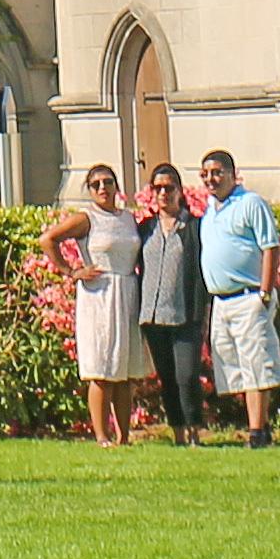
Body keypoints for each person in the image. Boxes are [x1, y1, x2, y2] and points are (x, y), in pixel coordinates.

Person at [194, 148, 280, 443]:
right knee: (234, 367)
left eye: (218, 172)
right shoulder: (209, 211)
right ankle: (256, 424)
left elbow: (270, 247)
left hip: (250, 297)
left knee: (256, 364)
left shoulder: (251, 203)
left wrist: (266, 293)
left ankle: (258, 432)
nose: (212, 179)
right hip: (221, 301)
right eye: (206, 174)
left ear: (233, 175)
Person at [132, 161, 208, 441]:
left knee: (187, 377)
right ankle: (177, 431)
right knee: (167, 379)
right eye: (158, 188)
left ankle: (195, 431)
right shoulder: (145, 229)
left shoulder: (193, 228)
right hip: (152, 317)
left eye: (169, 187)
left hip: (185, 315)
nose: (164, 193)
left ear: (179, 191)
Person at [64, 162, 139, 444]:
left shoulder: (128, 218)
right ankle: (101, 435)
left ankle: (124, 437)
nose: (102, 188)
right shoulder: (87, 218)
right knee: (101, 369)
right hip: (99, 294)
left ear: (116, 185)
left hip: (127, 291)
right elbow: (49, 239)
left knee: (124, 370)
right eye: (95, 184)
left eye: (107, 182)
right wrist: (73, 271)